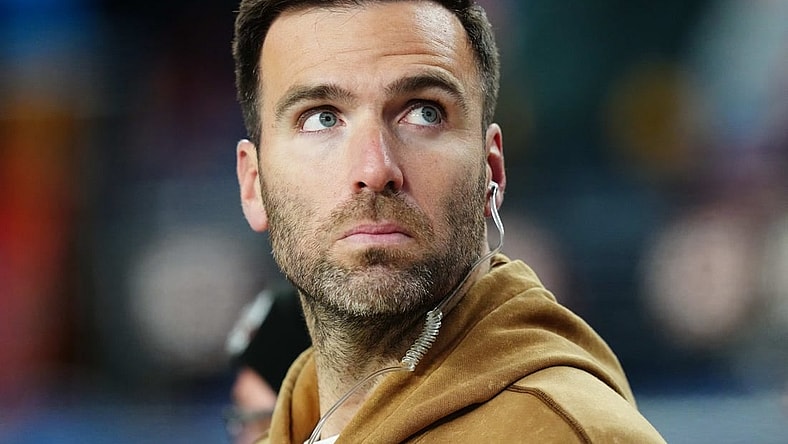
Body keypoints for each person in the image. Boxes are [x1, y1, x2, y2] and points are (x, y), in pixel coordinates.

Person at [232, 1, 666, 443]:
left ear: (491, 172)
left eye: (424, 112)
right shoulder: (302, 424)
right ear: (254, 185)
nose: (375, 168)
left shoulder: (561, 432)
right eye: (322, 118)